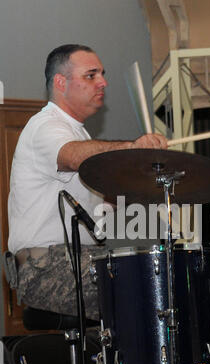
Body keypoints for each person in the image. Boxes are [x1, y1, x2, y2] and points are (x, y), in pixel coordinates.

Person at [7, 44, 167, 322]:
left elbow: (98, 206)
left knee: (157, 276)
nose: (103, 82)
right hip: (48, 267)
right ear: (61, 82)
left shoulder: (77, 132)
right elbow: (71, 157)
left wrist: (145, 188)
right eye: (91, 75)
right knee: (147, 288)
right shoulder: (46, 126)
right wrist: (133, 148)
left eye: (102, 74)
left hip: (82, 260)